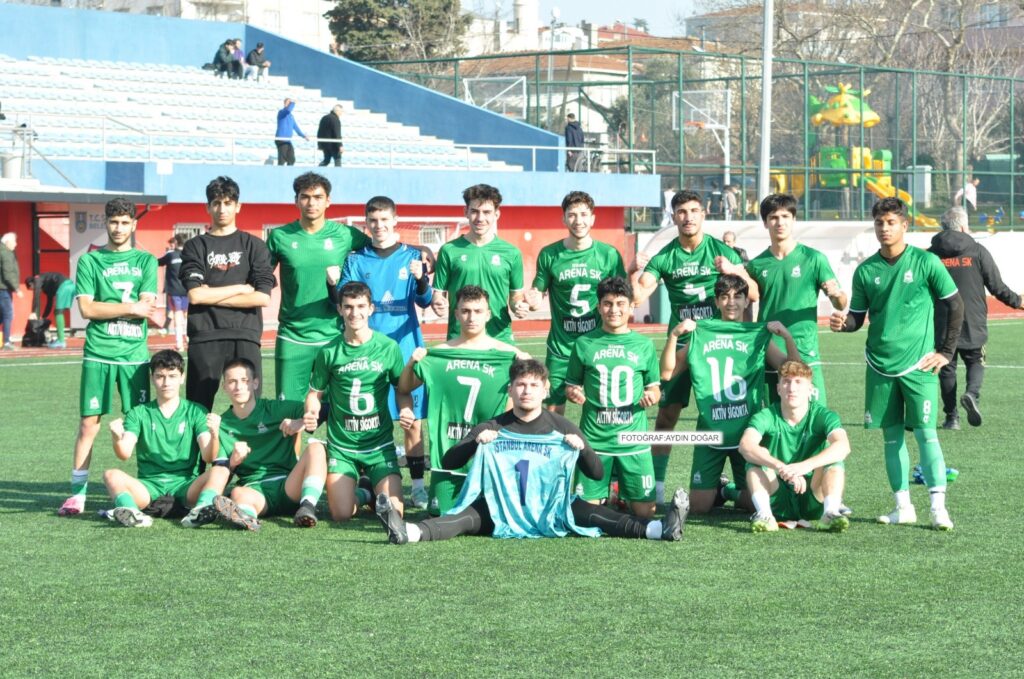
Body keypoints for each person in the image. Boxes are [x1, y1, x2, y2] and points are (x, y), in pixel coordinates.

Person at [375, 359, 690, 544]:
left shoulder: (561, 426)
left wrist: (581, 450)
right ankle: (408, 532)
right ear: (510, 389)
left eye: (533, 386)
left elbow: (596, 472)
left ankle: (661, 529)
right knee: (462, 518)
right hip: (501, 508)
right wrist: (475, 441)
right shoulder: (493, 426)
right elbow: (449, 461)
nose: (526, 391)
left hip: (549, 508)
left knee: (596, 514)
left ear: (545, 389)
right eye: (520, 385)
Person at [830, 197, 964, 531]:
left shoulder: (926, 262)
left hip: (919, 366)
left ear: (905, 225)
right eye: (879, 222)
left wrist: (946, 352)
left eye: (891, 222)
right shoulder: (865, 271)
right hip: (878, 366)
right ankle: (902, 506)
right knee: (891, 439)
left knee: (926, 434)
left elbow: (955, 305)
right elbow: (857, 319)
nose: (885, 228)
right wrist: (842, 323)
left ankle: (938, 508)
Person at [632, 189, 758, 503]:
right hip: (683, 346)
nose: (688, 217)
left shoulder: (721, 251)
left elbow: (753, 294)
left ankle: (731, 483)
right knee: (667, 416)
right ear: (673, 217)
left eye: (693, 211)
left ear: (703, 214)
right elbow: (636, 297)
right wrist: (633, 269)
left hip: (718, 346)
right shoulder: (664, 257)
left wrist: (735, 270)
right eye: (681, 212)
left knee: (729, 412)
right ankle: (657, 487)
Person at [660, 273, 800, 514]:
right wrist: (674, 336)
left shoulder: (758, 336)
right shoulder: (699, 334)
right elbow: (667, 373)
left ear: (747, 302)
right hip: (710, 429)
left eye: (738, 296)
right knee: (699, 509)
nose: (731, 302)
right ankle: (717, 490)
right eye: (724, 297)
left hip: (747, 432)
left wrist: (787, 337)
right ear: (716, 302)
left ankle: (726, 490)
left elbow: (793, 371)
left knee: (750, 503)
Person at [58, 198, 159, 516]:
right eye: (113, 222)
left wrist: (116, 307)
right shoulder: (90, 262)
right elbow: (88, 309)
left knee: (141, 424)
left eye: (124, 222)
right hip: (98, 353)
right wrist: (130, 308)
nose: (118, 227)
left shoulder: (146, 261)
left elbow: (149, 305)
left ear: (134, 225)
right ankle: (77, 494)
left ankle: (149, 487)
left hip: (133, 356)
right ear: (107, 224)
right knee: (89, 425)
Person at [339, 196, 433, 509]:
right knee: (368, 416)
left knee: (412, 420)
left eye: (384, 220)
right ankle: (368, 481)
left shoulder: (412, 256)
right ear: (367, 223)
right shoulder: (357, 259)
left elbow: (425, 300)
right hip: (366, 350)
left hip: (405, 348)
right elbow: (341, 298)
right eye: (373, 221)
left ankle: (417, 486)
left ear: (395, 220)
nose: (379, 227)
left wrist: (421, 279)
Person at [399, 285, 526, 516]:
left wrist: (526, 367)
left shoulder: (508, 355)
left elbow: (535, 397)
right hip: (448, 454)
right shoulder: (437, 355)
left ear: (488, 314)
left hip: (490, 454)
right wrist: (411, 364)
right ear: (456, 314)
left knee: (494, 515)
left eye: (478, 311)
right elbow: (404, 387)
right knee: (441, 514)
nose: (471, 317)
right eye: (465, 311)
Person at [183, 358, 327, 531]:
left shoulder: (275, 409)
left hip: (289, 484)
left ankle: (307, 506)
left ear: (255, 383)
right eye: (232, 382)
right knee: (238, 493)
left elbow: (323, 410)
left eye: (244, 381)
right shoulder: (221, 424)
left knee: (316, 448)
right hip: (255, 489)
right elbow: (221, 472)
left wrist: (300, 422)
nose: (238, 387)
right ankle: (246, 517)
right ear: (224, 387)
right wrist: (234, 462)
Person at [306, 281, 406, 522]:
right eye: (348, 307)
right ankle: (366, 494)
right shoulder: (329, 352)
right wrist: (311, 411)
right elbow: (314, 394)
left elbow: (401, 389)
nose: (355, 313)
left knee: (396, 513)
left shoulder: (388, 347)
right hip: (343, 447)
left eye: (361, 306)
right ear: (340, 309)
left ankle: (376, 487)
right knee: (341, 514)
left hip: (379, 445)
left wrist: (406, 410)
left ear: (371, 308)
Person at [266, 172, 368, 402]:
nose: (311, 203)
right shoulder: (280, 236)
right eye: (305, 197)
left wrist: (422, 252)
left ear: (328, 201)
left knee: (340, 411)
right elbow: (260, 275)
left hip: (335, 334)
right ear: (296, 200)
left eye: (318, 197)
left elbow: (381, 250)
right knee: (288, 413)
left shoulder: (345, 234)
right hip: (293, 336)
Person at [565, 276, 661, 519]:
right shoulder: (584, 343)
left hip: (633, 440)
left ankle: (618, 491)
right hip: (595, 439)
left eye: (620, 303)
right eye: (607, 304)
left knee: (645, 514)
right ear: (598, 307)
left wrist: (652, 395)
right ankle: (613, 492)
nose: (614, 310)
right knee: (586, 516)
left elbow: (655, 389)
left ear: (631, 306)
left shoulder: (644, 345)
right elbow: (571, 386)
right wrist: (574, 393)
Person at [179, 176, 275, 411]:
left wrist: (211, 293)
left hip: (245, 334)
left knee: (249, 407)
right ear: (208, 207)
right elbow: (195, 296)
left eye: (228, 203)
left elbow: (262, 297)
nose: (222, 209)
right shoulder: (196, 246)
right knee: (198, 410)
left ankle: (244, 449)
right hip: (205, 334)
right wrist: (240, 288)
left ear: (238, 206)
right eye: (216, 203)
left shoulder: (254, 245)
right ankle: (198, 450)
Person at [525, 191, 626, 414]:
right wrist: (532, 299)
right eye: (572, 215)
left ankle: (596, 449)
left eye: (583, 214)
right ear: (563, 218)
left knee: (601, 407)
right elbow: (537, 291)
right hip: (561, 347)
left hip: (598, 344)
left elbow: (623, 298)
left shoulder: (608, 254)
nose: (578, 221)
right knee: (552, 410)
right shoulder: (550, 254)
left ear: (593, 218)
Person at [746, 193, 847, 405]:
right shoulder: (756, 265)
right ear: (765, 223)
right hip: (769, 349)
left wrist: (836, 295)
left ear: (794, 220)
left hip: (805, 348)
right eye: (773, 217)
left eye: (785, 216)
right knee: (774, 417)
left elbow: (841, 302)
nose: (779, 222)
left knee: (814, 416)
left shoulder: (814, 259)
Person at [929, 205, 1022, 429]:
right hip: (973, 319)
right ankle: (972, 394)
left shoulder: (931, 255)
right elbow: (996, 286)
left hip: (942, 321)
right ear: (963, 226)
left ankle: (952, 418)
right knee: (976, 360)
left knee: (946, 367)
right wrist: (1018, 302)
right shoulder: (977, 251)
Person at [102, 350, 220, 527]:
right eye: (160, 376)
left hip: (186, 486)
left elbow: (208, 457)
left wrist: (214, 434)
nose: (166, 383)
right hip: (149, 487)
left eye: (172, 376)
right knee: (111, 475)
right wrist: (116, 438)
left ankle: (201, 510)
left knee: (221, 471)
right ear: (152, 378)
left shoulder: (197, 411)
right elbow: (124, 454)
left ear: (182, 377)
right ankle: (133, 513)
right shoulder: (138, 413)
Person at [738, 360, 852, 532]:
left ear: (810, 390)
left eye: (798, 382)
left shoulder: (823, 415)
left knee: (834, 459)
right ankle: (765, 515)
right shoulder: (767, 415)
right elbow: (745, 445)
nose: (792, 388)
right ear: (778, 388)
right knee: (755, 458)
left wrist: (804, 466)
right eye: (786, 381)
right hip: (778, 497)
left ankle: (830, 513)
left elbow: (843, 446)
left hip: (813, 495)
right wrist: (782, 468)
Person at [430, 184, 528, 342]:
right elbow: (438, 294)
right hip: (460, 338)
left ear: (497, 214)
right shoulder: (449, 250)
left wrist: (518, 305)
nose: (480, 218)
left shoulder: (512, 253)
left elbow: (515, 295)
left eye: (487, 212)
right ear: (465, 212)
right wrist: (438, 302)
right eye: (474, 211)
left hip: (499, 338)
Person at [25, 272, 75, 349]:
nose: (35, 290)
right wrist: (44, 317)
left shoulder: (37, 279)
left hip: (64, 286)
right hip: (71, 285)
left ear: (31, 283)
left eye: (33, 288)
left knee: (58, 312)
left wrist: (33, 312)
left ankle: (61, 341)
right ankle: (60, 340)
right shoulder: (46, 286)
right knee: (59, 312)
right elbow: (49, 303)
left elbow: (36, 296)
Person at [157, 233, 188, 352]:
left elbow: (157, 262)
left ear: (176, 242)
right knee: (186, 316)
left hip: (174, 291)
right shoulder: (189, 255)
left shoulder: (170, 255)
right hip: (187, 290)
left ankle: (179, 344)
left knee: (177, 316)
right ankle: (189, 339)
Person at [0, 232, 22, 350]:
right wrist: (17, 288)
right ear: (8, 242)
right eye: (14, 241)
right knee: (8, 315)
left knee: (1, 316)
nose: (16, 244)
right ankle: (7, 342)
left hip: (3, 289)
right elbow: (7, 273)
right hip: (3, 289)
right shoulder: (6, 253)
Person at [275, 99, 308, 166]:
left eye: (290, 103)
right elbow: (288, 110)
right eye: (288, 103)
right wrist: (293, 103)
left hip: (288, 141)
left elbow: (295, 127)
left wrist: (303, 136)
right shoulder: (281, 112)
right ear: (285, 104)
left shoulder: (291, 116)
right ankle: (279, 174)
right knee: (282, 159)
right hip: (281, 139)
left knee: (291, 159)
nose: (290, 104)